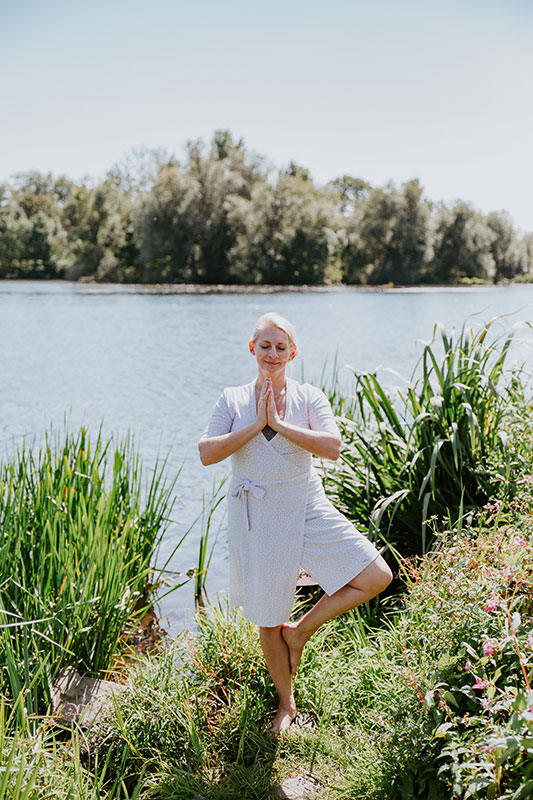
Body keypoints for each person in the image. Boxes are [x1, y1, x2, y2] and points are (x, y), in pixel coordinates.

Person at [198, 312, 392, 733]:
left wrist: (279, 424)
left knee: (377, 574)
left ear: (293, 352)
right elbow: (207, 453)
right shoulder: (232, 399)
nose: (272, 353)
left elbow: (333, 447)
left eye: (280, 347)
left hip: (306, 502)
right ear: (253, 349)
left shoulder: (309, 397)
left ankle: (300, 632)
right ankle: (286, 705)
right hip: (257, 513)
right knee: (268, 616)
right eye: (264, 346)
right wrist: (254, 425)